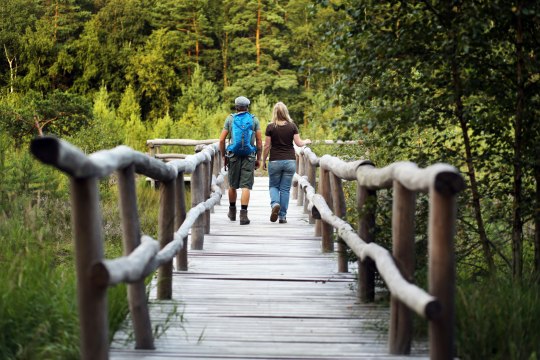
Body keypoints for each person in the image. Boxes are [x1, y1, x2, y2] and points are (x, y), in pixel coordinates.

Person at [262, 102, 311, 224]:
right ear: (285, 112)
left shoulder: (270, 127)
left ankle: (275, 204)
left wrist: (263, 160)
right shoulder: (292, 126)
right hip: (290, 161)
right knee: (285, 189)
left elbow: (267, 146)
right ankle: (282, 216)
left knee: (273, 186)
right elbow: (299, 143)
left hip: (274, 161)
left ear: (275, 113)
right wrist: (307, 141)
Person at [219, 96, 262, 225]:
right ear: (247, 107)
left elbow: (221, 140)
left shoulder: (230, 119)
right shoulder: (254, 120)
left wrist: (223, 155)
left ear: (236, 106)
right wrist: (258, 158)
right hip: (249, 155)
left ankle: (232, 212)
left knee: (232, 185)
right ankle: (243, 216)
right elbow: (259, 141)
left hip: (233, 156)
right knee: (246, 186)